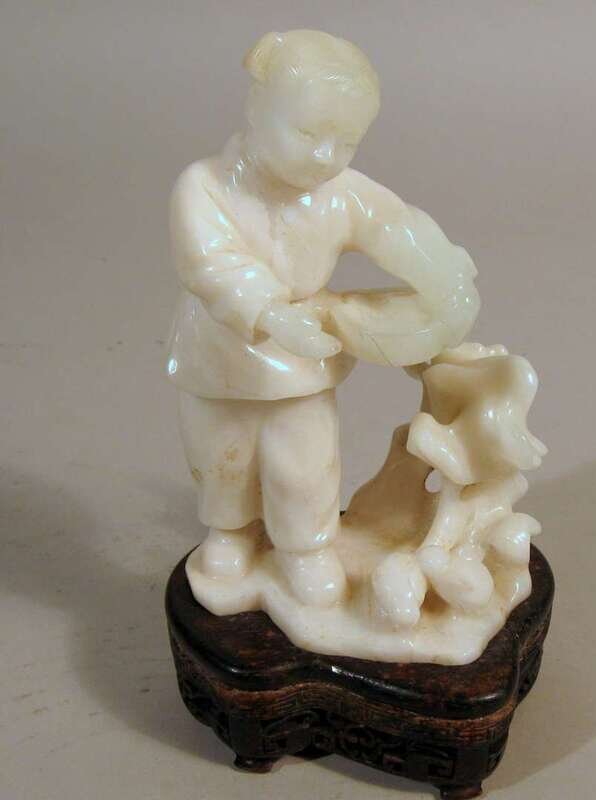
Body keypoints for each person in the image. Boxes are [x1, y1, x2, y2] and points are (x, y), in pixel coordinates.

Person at [167, 29, 476, 607]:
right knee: (222, 455)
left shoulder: (341, 192)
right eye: (308, 134)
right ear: (257, 108)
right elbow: (212, 264)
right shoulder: (203, 186)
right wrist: (269, 312)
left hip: (301, 355)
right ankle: (230, 533)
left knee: (303, 460)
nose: (325, 157)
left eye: (346, 142)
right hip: (221, 350)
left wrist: (442, 268)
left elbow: (394, 225)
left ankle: (304, 547)